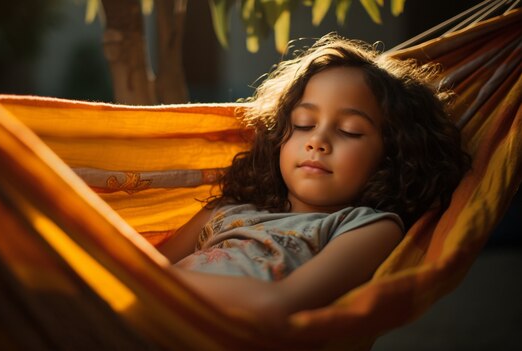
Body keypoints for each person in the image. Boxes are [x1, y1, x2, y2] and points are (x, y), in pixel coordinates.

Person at [158, 34, 471, 326]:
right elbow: (139, 267)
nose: (317, 141)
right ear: (279, 134)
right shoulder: (227, 210)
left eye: (350, 130)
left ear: (393, 155)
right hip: (149, 318)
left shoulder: (366, 227)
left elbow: (280, 304)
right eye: (304, 124)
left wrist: (162, 283)